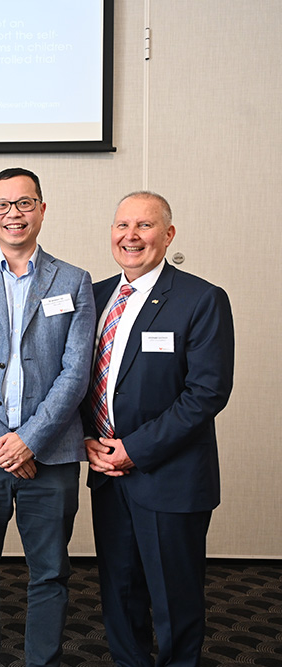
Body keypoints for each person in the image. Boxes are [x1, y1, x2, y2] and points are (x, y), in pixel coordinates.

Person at [0, 168, 95, 667]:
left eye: (25, 203)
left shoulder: (74, 281)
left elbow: (76, 372)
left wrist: (29, 440)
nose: (14, 214)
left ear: (43, 210)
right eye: (3, 205)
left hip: (50, 456)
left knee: (50, 570)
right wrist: (2, 441)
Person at [83, 192, 234, 667]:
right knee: (119, 592)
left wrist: (133, 449)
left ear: (168, 235)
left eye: (144, 226)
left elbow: (206, 394)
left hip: (169, 478)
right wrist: (88, 439)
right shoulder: (95, 295)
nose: (131, 236)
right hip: (106, 472)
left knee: (174, 599)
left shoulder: (201, 299)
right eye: (121, 225)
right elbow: (79, 378)